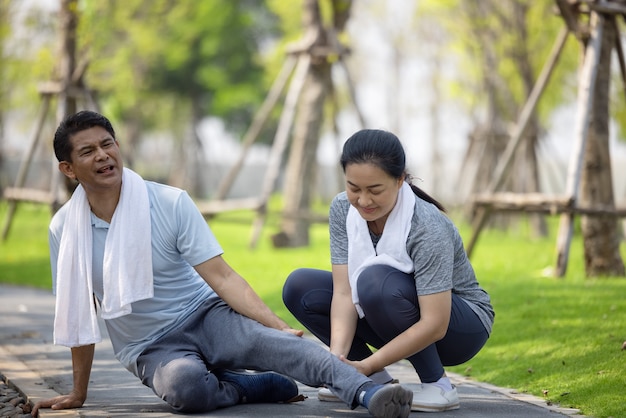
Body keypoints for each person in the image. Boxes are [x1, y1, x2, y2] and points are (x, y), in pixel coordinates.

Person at [32, 111, 414, 418]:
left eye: (107, 144)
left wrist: (277, 327)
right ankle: (248, 385)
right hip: (149, 346)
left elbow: (223, 277)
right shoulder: (65, 229)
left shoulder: (169, 202)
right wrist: (78, 393)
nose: (102, 156)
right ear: (68, 169)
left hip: (206, 313)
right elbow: (80, 312)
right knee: (188, 389)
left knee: (285, 347)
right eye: (87, 151)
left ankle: (368, 392)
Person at [283, 129, 495, 412]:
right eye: (354, 188)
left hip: (459, 327)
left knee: (375, 281)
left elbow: (436, 323)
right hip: (392, 305)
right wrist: (339, 364)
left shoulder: (426, 225)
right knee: (300, 286)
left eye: (375, 190)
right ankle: (369, 379)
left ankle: (438, 386)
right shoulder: (342, 209)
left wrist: (369, 361)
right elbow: (345, 293)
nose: (363, 201)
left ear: (399, 180)